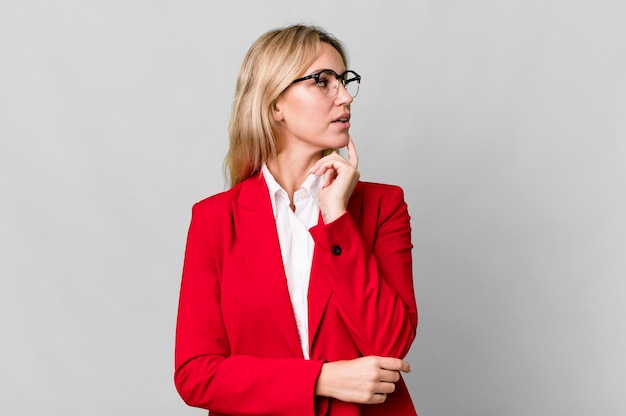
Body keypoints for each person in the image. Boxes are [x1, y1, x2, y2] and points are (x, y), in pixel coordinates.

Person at [174, 24, 418, 415]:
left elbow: (389, 343)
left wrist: (336, 216)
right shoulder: (215, 220)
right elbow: (195, 374)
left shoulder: (382, 206)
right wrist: (322, 378)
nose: (345, 96)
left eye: (344, 80)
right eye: (323, 81)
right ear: (275, 105)